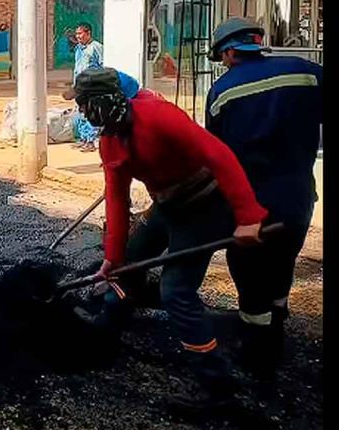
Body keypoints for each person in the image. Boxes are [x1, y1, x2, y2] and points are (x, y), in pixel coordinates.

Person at [72, 68, 269, 414]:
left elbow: (219, 155)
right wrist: (112, 257)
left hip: (208, 205)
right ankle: (107, 333)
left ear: (103, 102)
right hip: (168, 205)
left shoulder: (158, 116)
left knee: (176, 290)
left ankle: (217, 386)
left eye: (85, 105)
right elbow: (117, 199)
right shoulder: (110, 142)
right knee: (126, 267)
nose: (82, 113)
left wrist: (248, 216)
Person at [206, 17, 323, 379]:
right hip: (299, 195)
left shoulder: (221, 92)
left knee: (250, 274)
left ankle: (259, 357)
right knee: (283, 261)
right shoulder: (306, 72)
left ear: (228, 52)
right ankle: (277, 324)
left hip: (251, 205)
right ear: (258, 41)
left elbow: (217, 158)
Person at [70, 23, 104, 152]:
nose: (78, 36)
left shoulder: (96, 47)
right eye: (77, 34)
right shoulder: (79, 48)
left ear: (88, 33)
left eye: (80, 33)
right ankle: (83, 138)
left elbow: (102, 65)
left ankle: (90, 141)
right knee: (81, 112)